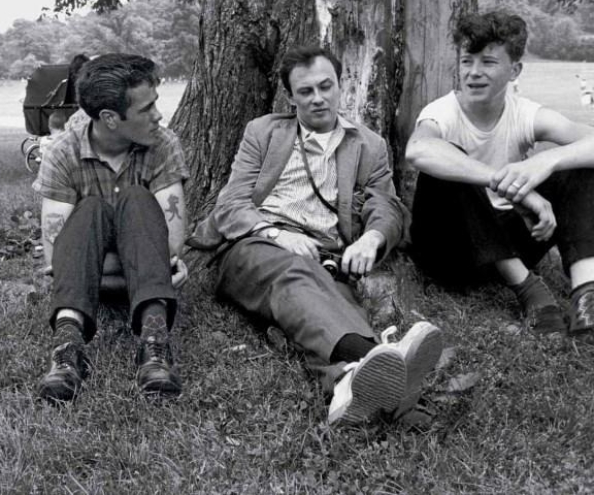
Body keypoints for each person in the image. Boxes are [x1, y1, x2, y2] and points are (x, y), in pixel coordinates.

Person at [188, 45, 443, 426]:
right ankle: (380, 366)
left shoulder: (369, 145)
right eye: (305, 91)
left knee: (331, 308)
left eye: (327, 86)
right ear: (290, 97)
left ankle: (348, 385)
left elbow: (386, 207)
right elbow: (231, 204)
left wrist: (372, 238)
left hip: (324, 257)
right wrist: (277, 234)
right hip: (253, 247)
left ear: (341, 86)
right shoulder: (263, 132)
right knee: (297, 274)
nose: (318, 98)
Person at [406, 10, 594, 336]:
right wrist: (512, 187)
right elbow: (418, 150)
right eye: (467, 61)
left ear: (515, 70)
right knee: (447, 164)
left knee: (579, 165)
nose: (474, 73)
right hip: (452, 253)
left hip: (512, 238)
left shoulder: (524, 114)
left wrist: (544, 162)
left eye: (488, 62)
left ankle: (586, 295)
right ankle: (529, 290)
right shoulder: (441, 112)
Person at [34, 53, 190, 403]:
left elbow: (170, 250)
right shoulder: (63, 152)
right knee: (89, 208)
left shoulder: (163, 145)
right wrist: (143, 264)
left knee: (136, 198)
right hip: (121, 285)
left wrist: (85, 267)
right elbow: (57, 257)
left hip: (122, 284)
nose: (158, 115)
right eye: (146, 109)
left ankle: (154, 346)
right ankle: (68, 348)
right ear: (110, 118)